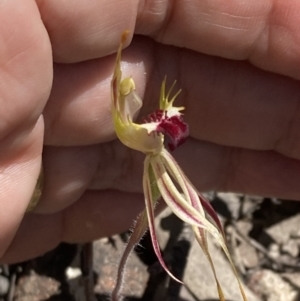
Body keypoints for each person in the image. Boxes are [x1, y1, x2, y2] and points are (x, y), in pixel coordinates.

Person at [0, 0, 300, 263]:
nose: (128, 91)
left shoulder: (146, 136)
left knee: (203, 220)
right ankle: (223, 275)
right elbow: (135, 122)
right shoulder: (130, 125)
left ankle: (226, 274)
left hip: (157, 155)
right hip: (156, 156)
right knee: (183, 220)